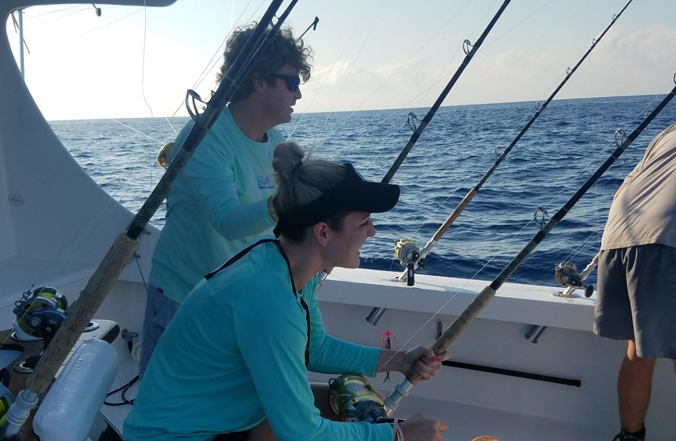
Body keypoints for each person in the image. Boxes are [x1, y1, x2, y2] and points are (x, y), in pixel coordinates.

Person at [124, 141, 451, 441]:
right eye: (364, 222)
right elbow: (302, 434)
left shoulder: (280, 262)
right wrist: (399, 435)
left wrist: (400, 361)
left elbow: (316, 349)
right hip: (179, 437)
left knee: (355, 402)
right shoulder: (269, 300)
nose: (373, 232)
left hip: (218, 420)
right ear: (322, 233)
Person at [139, 23, 312, 377]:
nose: (298, 94)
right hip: (184, 298)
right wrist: (287, 203)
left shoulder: (275, 141)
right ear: (260, 82)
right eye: (292, 82)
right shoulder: (206, 136)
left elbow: (274, 228)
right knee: (170, 406)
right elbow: (227, 221)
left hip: (238, 299)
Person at [594, 113, 676, 441]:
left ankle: (629, 437)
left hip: (619, 235)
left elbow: (621, 191)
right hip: (675, 238)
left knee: (639, 349)